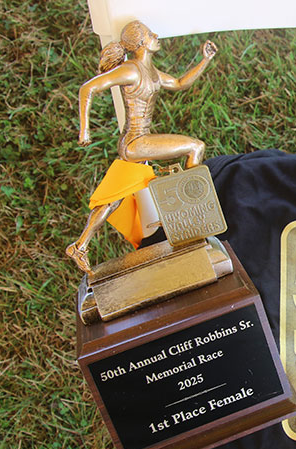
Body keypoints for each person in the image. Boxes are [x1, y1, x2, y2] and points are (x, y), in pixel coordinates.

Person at [66, 21, 217, 274]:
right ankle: (189, 215)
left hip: (140, 142)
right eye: (150, 34)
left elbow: (180, 82)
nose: (156, 36)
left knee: (115, 198)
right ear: (140, 44)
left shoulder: (152, 72)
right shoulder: (131, 71)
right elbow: (88, 88)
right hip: (135, 143)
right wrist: (84, 130)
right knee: (195, 147)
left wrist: (205, 60)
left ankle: (80, 245)